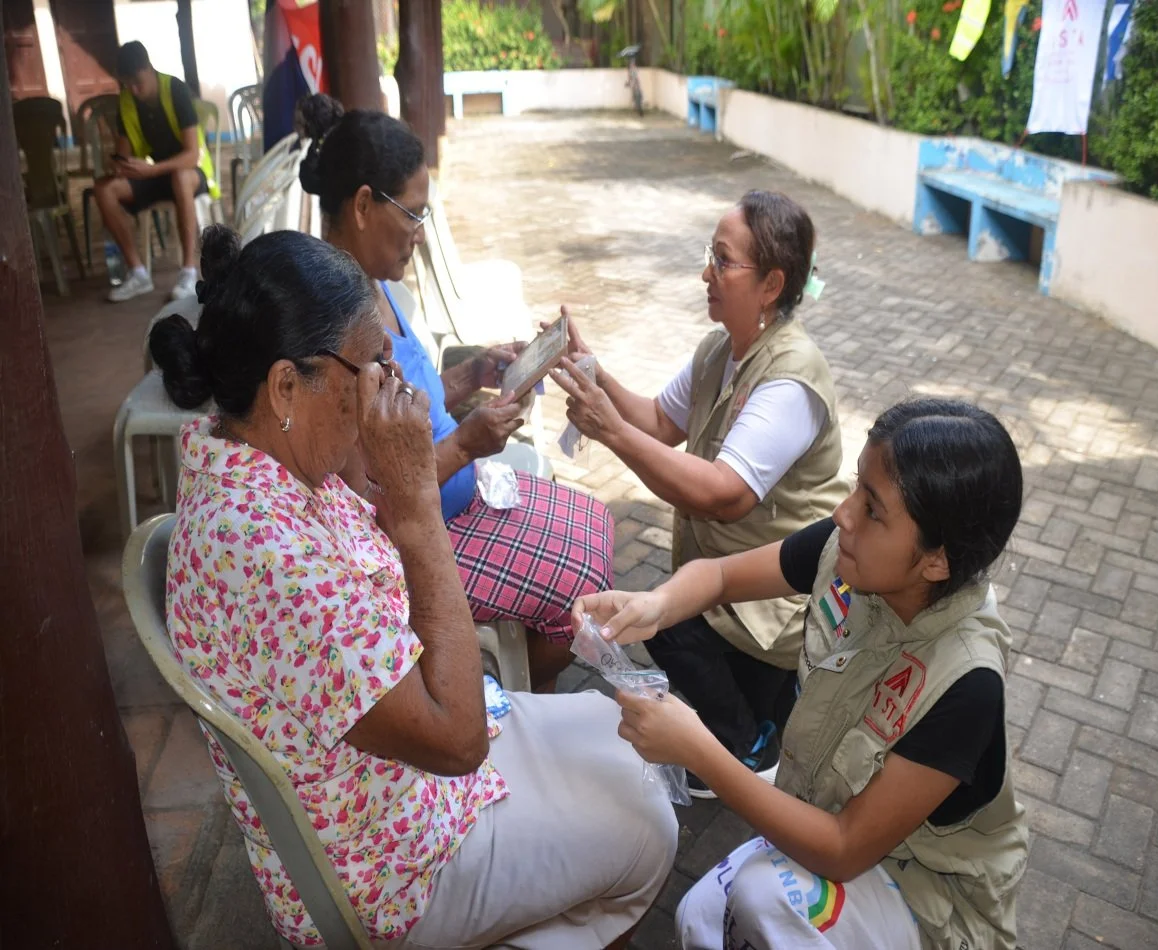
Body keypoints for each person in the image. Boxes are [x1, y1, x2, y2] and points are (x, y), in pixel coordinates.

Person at [148, 225, 677, 949]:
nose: (388, 388)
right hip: (393, 864)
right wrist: (417, 503)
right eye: (371, 369)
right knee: (650, 824)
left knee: (625, 738)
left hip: (402, 786)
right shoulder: (264, 550)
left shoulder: (270, 463)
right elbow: (458, 742)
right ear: (284, 387)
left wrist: (394, 472)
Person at [575, 398, 1029, 950]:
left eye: (873, 508)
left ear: (937, 560)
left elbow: (844, 848)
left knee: (762, 896)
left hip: (925, 892)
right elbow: (719, 575)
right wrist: (656, 605)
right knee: (698, 919)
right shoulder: (851, 551)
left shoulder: (967, 683)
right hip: (828, 808)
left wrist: (699, 751)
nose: (844, 514)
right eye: (858, 487)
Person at [295, 94, 613, 691]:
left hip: (450, 506)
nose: (420, 233)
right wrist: (468, 444)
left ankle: (517, 689)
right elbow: (369, 496)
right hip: (411, 543)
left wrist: (474, 375)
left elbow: (400, 408)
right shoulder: (336, 324)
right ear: (364, 205)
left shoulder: (370, 285)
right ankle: (508, 699)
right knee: (581, 591)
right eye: (413, 215)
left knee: (592, 523)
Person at [550, 191, 850, 795]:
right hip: (729, 572)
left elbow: (722, 495)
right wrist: (596, 371)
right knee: (664, 614)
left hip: (777, 589)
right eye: (709, 255)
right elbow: (660, 421)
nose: (705, 273)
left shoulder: (790, 376)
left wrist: (608, 428)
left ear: (771, 284)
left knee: (661, 619)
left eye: (722, 260)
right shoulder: (722, 349)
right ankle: (745, 711)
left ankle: (746, 744)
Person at [95, 41, 218, 303]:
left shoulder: (175, 89)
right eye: (128, 84)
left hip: (191, 173)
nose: (135, 90)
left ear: (149, 69)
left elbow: (192, 154)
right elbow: (124, 151)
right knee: (105, 189)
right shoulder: (127, 100)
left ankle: (188, 271)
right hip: (152, 174)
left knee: (180, 177)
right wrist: (120, 165)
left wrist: (152, 170)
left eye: (138, 81)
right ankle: (137, 272)